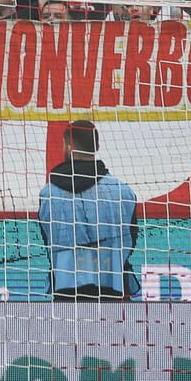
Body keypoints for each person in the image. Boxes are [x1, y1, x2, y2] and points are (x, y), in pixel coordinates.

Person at [38, 120, 141, 300]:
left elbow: (48, 241)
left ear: (68, 146)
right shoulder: (123, 192)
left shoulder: (48, 194)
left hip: (66, 289)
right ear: (97, 146)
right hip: (113, 287)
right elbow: (131, 241)